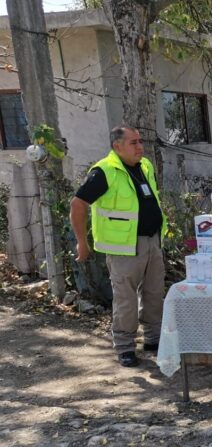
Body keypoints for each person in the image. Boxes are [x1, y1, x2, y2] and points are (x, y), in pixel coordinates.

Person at [69, 126, 168, 368]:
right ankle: (125, 347)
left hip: (152, 241)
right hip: (124, 247)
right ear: (117, 146)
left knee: (155, 294)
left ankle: (153, 340)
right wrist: (82, 242)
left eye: (140, 141)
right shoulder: (105, 171)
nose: (140, 147)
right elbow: (78, 204)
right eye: (133, 142)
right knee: (126, 300)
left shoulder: (144, 166)